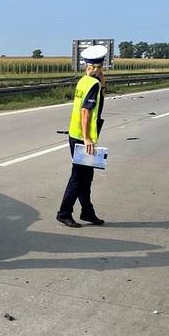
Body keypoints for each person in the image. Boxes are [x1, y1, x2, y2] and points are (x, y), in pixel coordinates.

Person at [56, 45, 108, 228]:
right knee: (78, 177)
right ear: (100, 66)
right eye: (101, 67)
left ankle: (87, 212)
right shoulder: (93, 85)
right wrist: (87, 139)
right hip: (82, 137)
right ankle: (64, 213)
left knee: (86, 176)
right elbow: (86, 111)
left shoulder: (84, 81)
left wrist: (102, 84)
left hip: (75, 133)